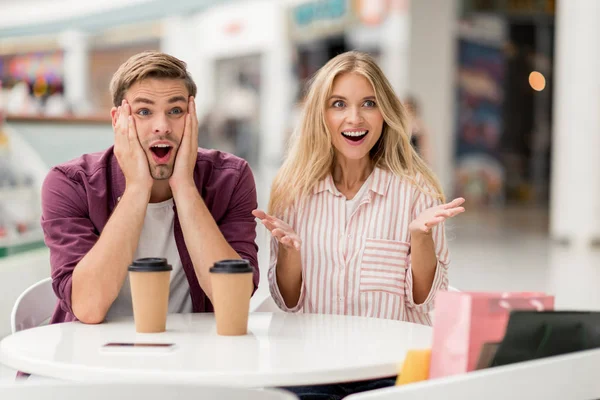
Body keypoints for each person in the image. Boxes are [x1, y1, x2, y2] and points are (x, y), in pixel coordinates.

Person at [253, 51, 465, 398]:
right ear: (320, 115)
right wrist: (290, 254)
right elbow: (287, 303)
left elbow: (427, 302)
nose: (354, 118)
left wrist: (419, 238)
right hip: (312, 366)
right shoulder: (293, 192)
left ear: (385, 113)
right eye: (338, 104)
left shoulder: (416, 193)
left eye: (368, 103)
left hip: (391, 371)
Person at [41, 51, 259, 325]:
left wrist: (184, 186)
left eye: (176, 111)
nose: (162, 127)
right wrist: (137, 187)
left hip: (194, 356)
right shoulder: (70, 183)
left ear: (192, 117)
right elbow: (88, 306)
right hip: (91, 358)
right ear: (117, 120)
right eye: (144, 111)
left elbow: (234, 300)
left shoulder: (231, 178)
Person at [404, 95, 432, 164]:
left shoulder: (420, 126)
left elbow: (426, 150)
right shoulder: (402, 125)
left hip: (416, 163)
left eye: (406, 107)